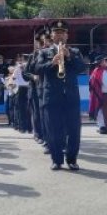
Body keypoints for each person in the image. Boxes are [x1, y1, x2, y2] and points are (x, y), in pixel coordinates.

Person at [35, 20, 87, 171]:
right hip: (51, 97)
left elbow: (82, 68)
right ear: (51, 36)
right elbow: (37, 69)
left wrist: (69, 56)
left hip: (71, 96)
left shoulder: (75, 52)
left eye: (62, 33)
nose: (59, 36)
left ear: (67, 36)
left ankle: (72, 159)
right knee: (53, 130)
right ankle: (56, 160)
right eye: (56, 33)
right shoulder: (43, 53)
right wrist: (52, 63)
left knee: (74, 130)